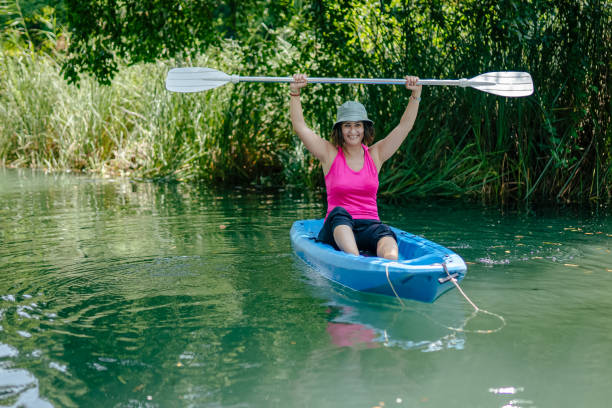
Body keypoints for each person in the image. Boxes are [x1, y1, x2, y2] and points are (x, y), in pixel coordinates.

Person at [289, 73, 422, 260]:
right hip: (338, 227)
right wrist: (295, 93)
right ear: (340, 130)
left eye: (358, 125)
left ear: (364, 128)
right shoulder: (329, 154)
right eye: (347, 126)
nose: (353, 131)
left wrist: (415, 95)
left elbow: (404, 127)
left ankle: (389, 266)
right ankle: (355, 261)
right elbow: (300, 126)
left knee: (385, 234)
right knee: (340, 214)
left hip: (370, 225)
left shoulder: (376, 154)